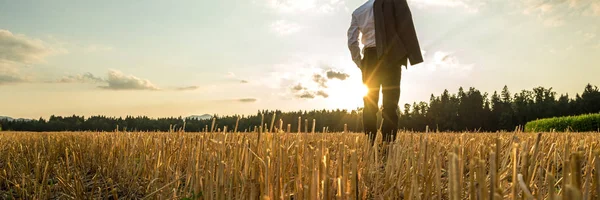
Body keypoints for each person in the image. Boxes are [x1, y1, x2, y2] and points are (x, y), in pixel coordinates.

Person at [347, 0, 423, 146]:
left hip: (369, 58)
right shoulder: (393, 3)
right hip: (391, 56)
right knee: (390, 104)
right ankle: (388, 144)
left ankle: (371, 145)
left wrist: (360, 63)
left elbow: (352, 42)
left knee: (369, 105)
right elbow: (404, 26)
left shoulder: (358, 11)